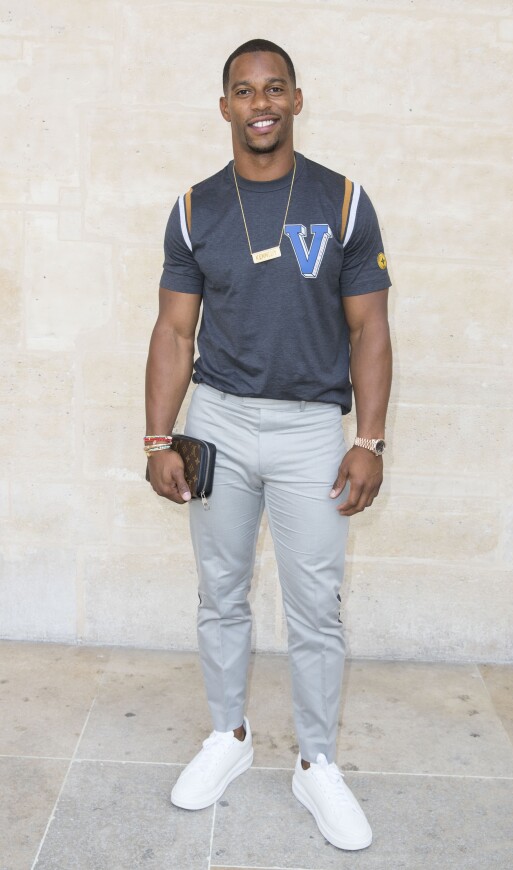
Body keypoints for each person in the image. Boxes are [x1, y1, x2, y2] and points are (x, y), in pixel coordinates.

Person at [144, 38, 392, 852]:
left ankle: (317, 764)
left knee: (316, 607)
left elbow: (371, 329)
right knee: (221, 593)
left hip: (311, 428)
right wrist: (157, 436)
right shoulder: (194, 208)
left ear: (295, 99)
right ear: (225, 107)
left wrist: (371, 440)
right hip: (217, 418)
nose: (260, 103)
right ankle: (229, 738)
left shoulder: (344, 200)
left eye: (274, 88)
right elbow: (175, 332)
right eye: (244, 91)